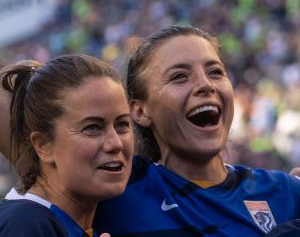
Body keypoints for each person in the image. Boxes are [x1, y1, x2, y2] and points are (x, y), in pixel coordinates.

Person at [93, 25, 300, 236]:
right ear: (139, 111)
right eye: (180, 77)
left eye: (215, 72)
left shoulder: (286, 193)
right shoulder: (112, 197)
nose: (205, 84)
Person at [0, 54, 133, 236]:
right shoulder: (24, 224)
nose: (116, 143)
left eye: (122, 124)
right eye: (92, 127)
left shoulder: (77, 219)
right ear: (44, 145)